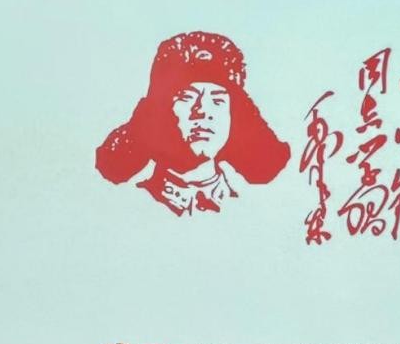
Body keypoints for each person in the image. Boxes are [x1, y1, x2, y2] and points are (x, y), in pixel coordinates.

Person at [95, 31, 290, 216]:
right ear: (162, 111)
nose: (202, 111)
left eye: (218, 100)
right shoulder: (126, 204)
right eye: (187, 97)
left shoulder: (249, 208)